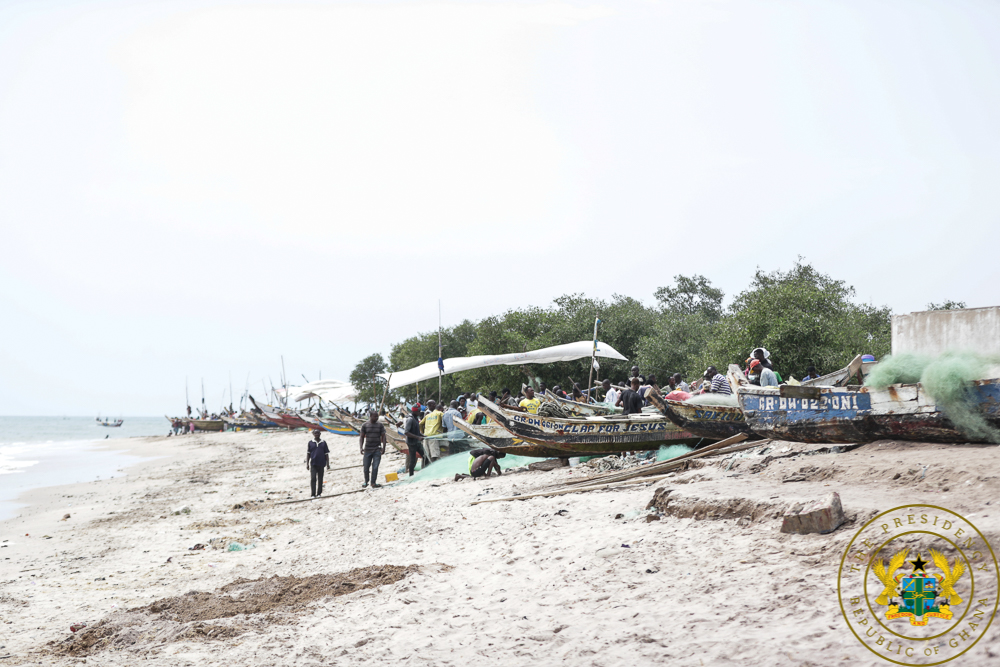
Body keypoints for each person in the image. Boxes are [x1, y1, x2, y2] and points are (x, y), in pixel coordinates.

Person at [358, 411, 386, 488]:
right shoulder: (365, 425)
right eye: (375, 417)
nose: (376, 418)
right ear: (370, 416)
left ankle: (373, 482)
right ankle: (366, 481)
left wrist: (384, 447)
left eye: (377, 417)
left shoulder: (380, 425)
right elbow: (361, 437)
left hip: (377, 449)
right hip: (367, 450)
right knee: (366, 467)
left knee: (375, 467)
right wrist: (361, 447)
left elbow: (383, 436)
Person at [305, 430, 331, 498]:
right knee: (313, 478)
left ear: (320, 434)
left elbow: (326, 454)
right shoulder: (310, 442)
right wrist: (307, 463)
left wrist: (328, 464)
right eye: (315, 433)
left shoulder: (323, 442)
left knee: (320, 479)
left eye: (318, 433)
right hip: (313, 463)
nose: (316, 434)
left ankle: (319, 493)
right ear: (313, 434)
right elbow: (308, 454)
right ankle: (313, 494)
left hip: (321, 463)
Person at [404, 406, 424, 476]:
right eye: (419, 411)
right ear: (415, 411)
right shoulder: (410, 419)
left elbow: (416, 431)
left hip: (417, 442)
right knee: (412, 460)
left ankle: (424, 470)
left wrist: (422, 435)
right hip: (411, 443)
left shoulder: (415, 418)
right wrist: (417, 437)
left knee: (424, 455)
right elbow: (406, 432)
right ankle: (411, 475)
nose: (419, 412)